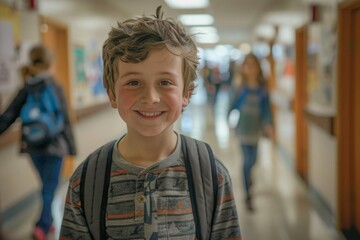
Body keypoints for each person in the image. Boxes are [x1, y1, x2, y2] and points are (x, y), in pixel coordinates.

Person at [60, 6, 241, 240]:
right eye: (133, 82)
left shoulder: (211, 174)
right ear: (112, 94)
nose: (150, 98)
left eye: (165, 82)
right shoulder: (86, 180)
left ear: (186, 93)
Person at [0, 44, 77, 240]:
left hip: (32, 146)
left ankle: (47, 222)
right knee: (50, 187)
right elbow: (65, 119)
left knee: (46, 186)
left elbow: (8, 115)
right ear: (50, 63)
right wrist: (71, 147)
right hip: (55, 146)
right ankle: (41, 227)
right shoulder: (54, 85)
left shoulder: (26, 86)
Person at [229, 53, 274, 212]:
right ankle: (248, 193)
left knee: (254, 160)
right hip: (242, 128)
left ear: (257, 68)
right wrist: (228, 119)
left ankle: (248, 178)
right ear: (244, 68)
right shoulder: (239, 87)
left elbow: (267, 109)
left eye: (253, 65)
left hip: (256, 129)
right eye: (247, 65)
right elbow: (231, 105)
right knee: (247, 161)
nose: (250, 68)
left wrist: (269, 123)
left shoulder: (263, 88)